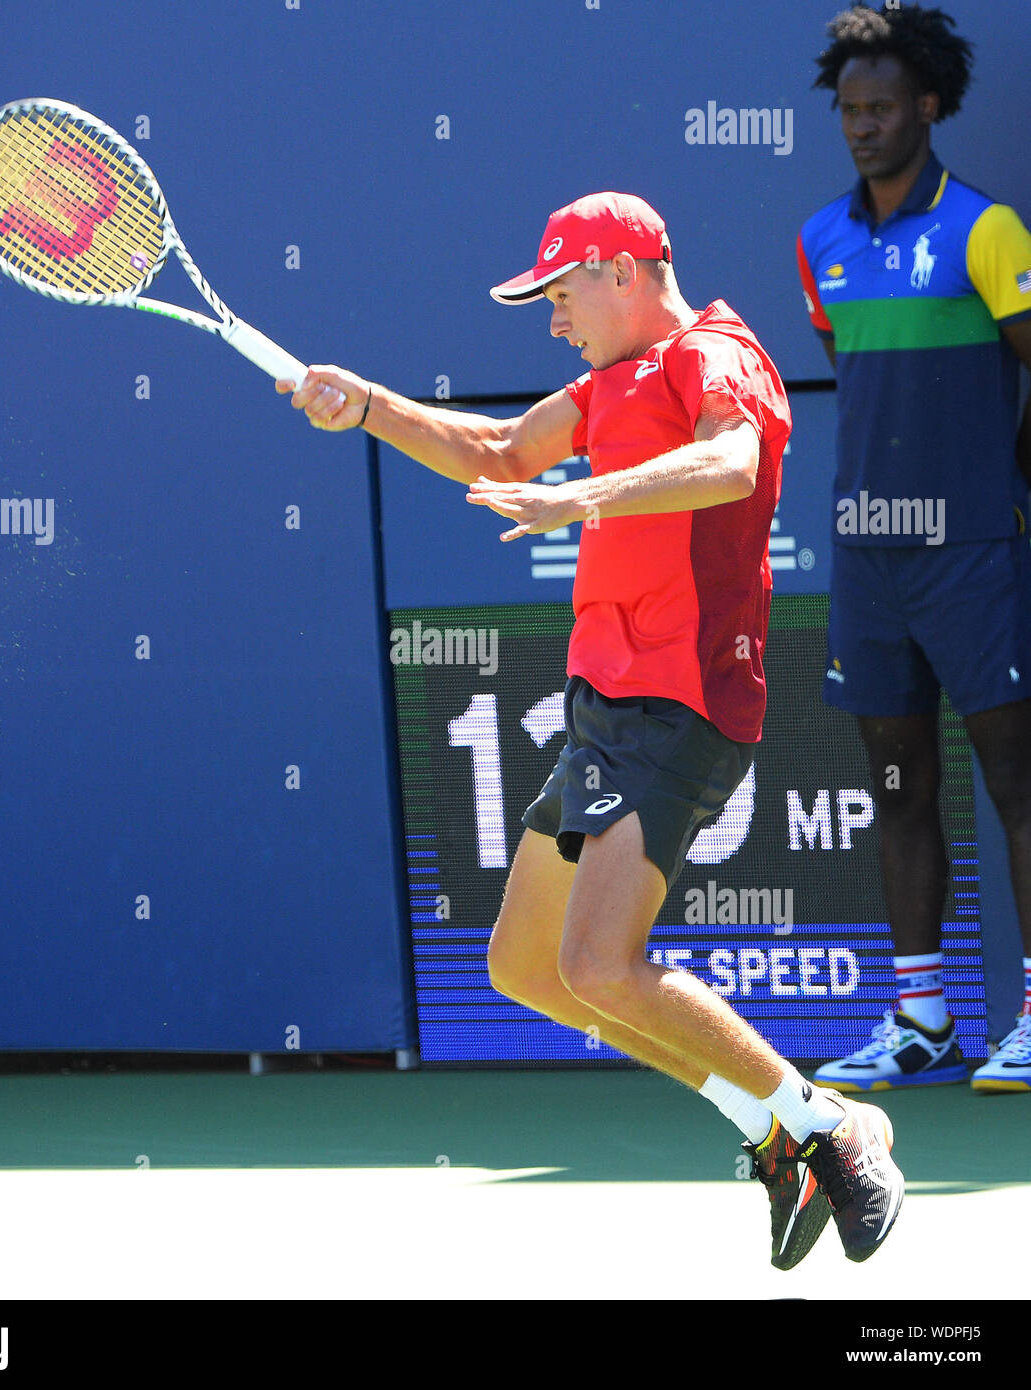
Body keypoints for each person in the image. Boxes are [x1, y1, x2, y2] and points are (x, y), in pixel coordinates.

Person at [280, 191, 904, 1268]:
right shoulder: (605, 381)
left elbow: (732, 463)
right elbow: (502, 449)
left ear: (620, 271)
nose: (553, 318)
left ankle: (828, 1125)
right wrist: (370, 405)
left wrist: (588, 500)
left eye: (561, 293)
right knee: (528, 967)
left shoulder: (715, 354)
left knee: (602, 965)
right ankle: (772, 1124)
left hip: (681, 697)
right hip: (602, 706)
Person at [798, 3, 1031, 1094]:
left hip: (974, 559)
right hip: (869, 565)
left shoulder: (988, 232)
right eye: (848, 109)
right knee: (898, 784)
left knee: (1017, 785)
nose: (863, 126)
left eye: (882, 106)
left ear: (929, 104)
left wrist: (999, 485)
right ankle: (921, 1017)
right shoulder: (820, 243)